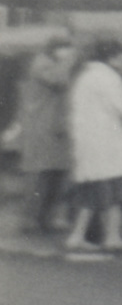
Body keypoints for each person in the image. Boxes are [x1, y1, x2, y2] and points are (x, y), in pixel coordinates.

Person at [61, 40, 122, 254]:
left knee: (93, 188)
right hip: (108, 140)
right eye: (119, 58)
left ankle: (82, 236)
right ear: (110, 59)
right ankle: (107, 236)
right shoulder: (110, 78)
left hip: (87, 140)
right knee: (114, 187)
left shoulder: (85, 76)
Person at [13, 30, 75, 237]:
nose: (66, 52)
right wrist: (70, 60)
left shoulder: (56, 64)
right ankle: (29, 219)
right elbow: (57, 80)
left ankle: (46, 218)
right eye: (63, 47)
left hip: (58, 128)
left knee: (57, 175)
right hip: (41, 128)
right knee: (39, 175)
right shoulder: (42, 64)